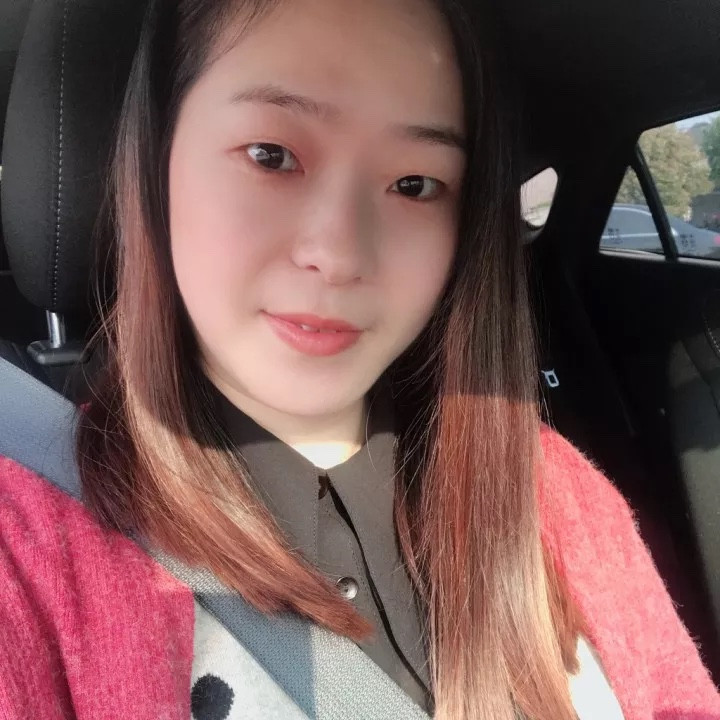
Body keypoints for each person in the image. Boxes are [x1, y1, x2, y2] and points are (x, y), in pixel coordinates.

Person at [0, 0, 719, 718]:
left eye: (414, 185)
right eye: (271, 155)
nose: (339, 253)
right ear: (154, 163)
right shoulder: (28, 551)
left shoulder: (555, 495)